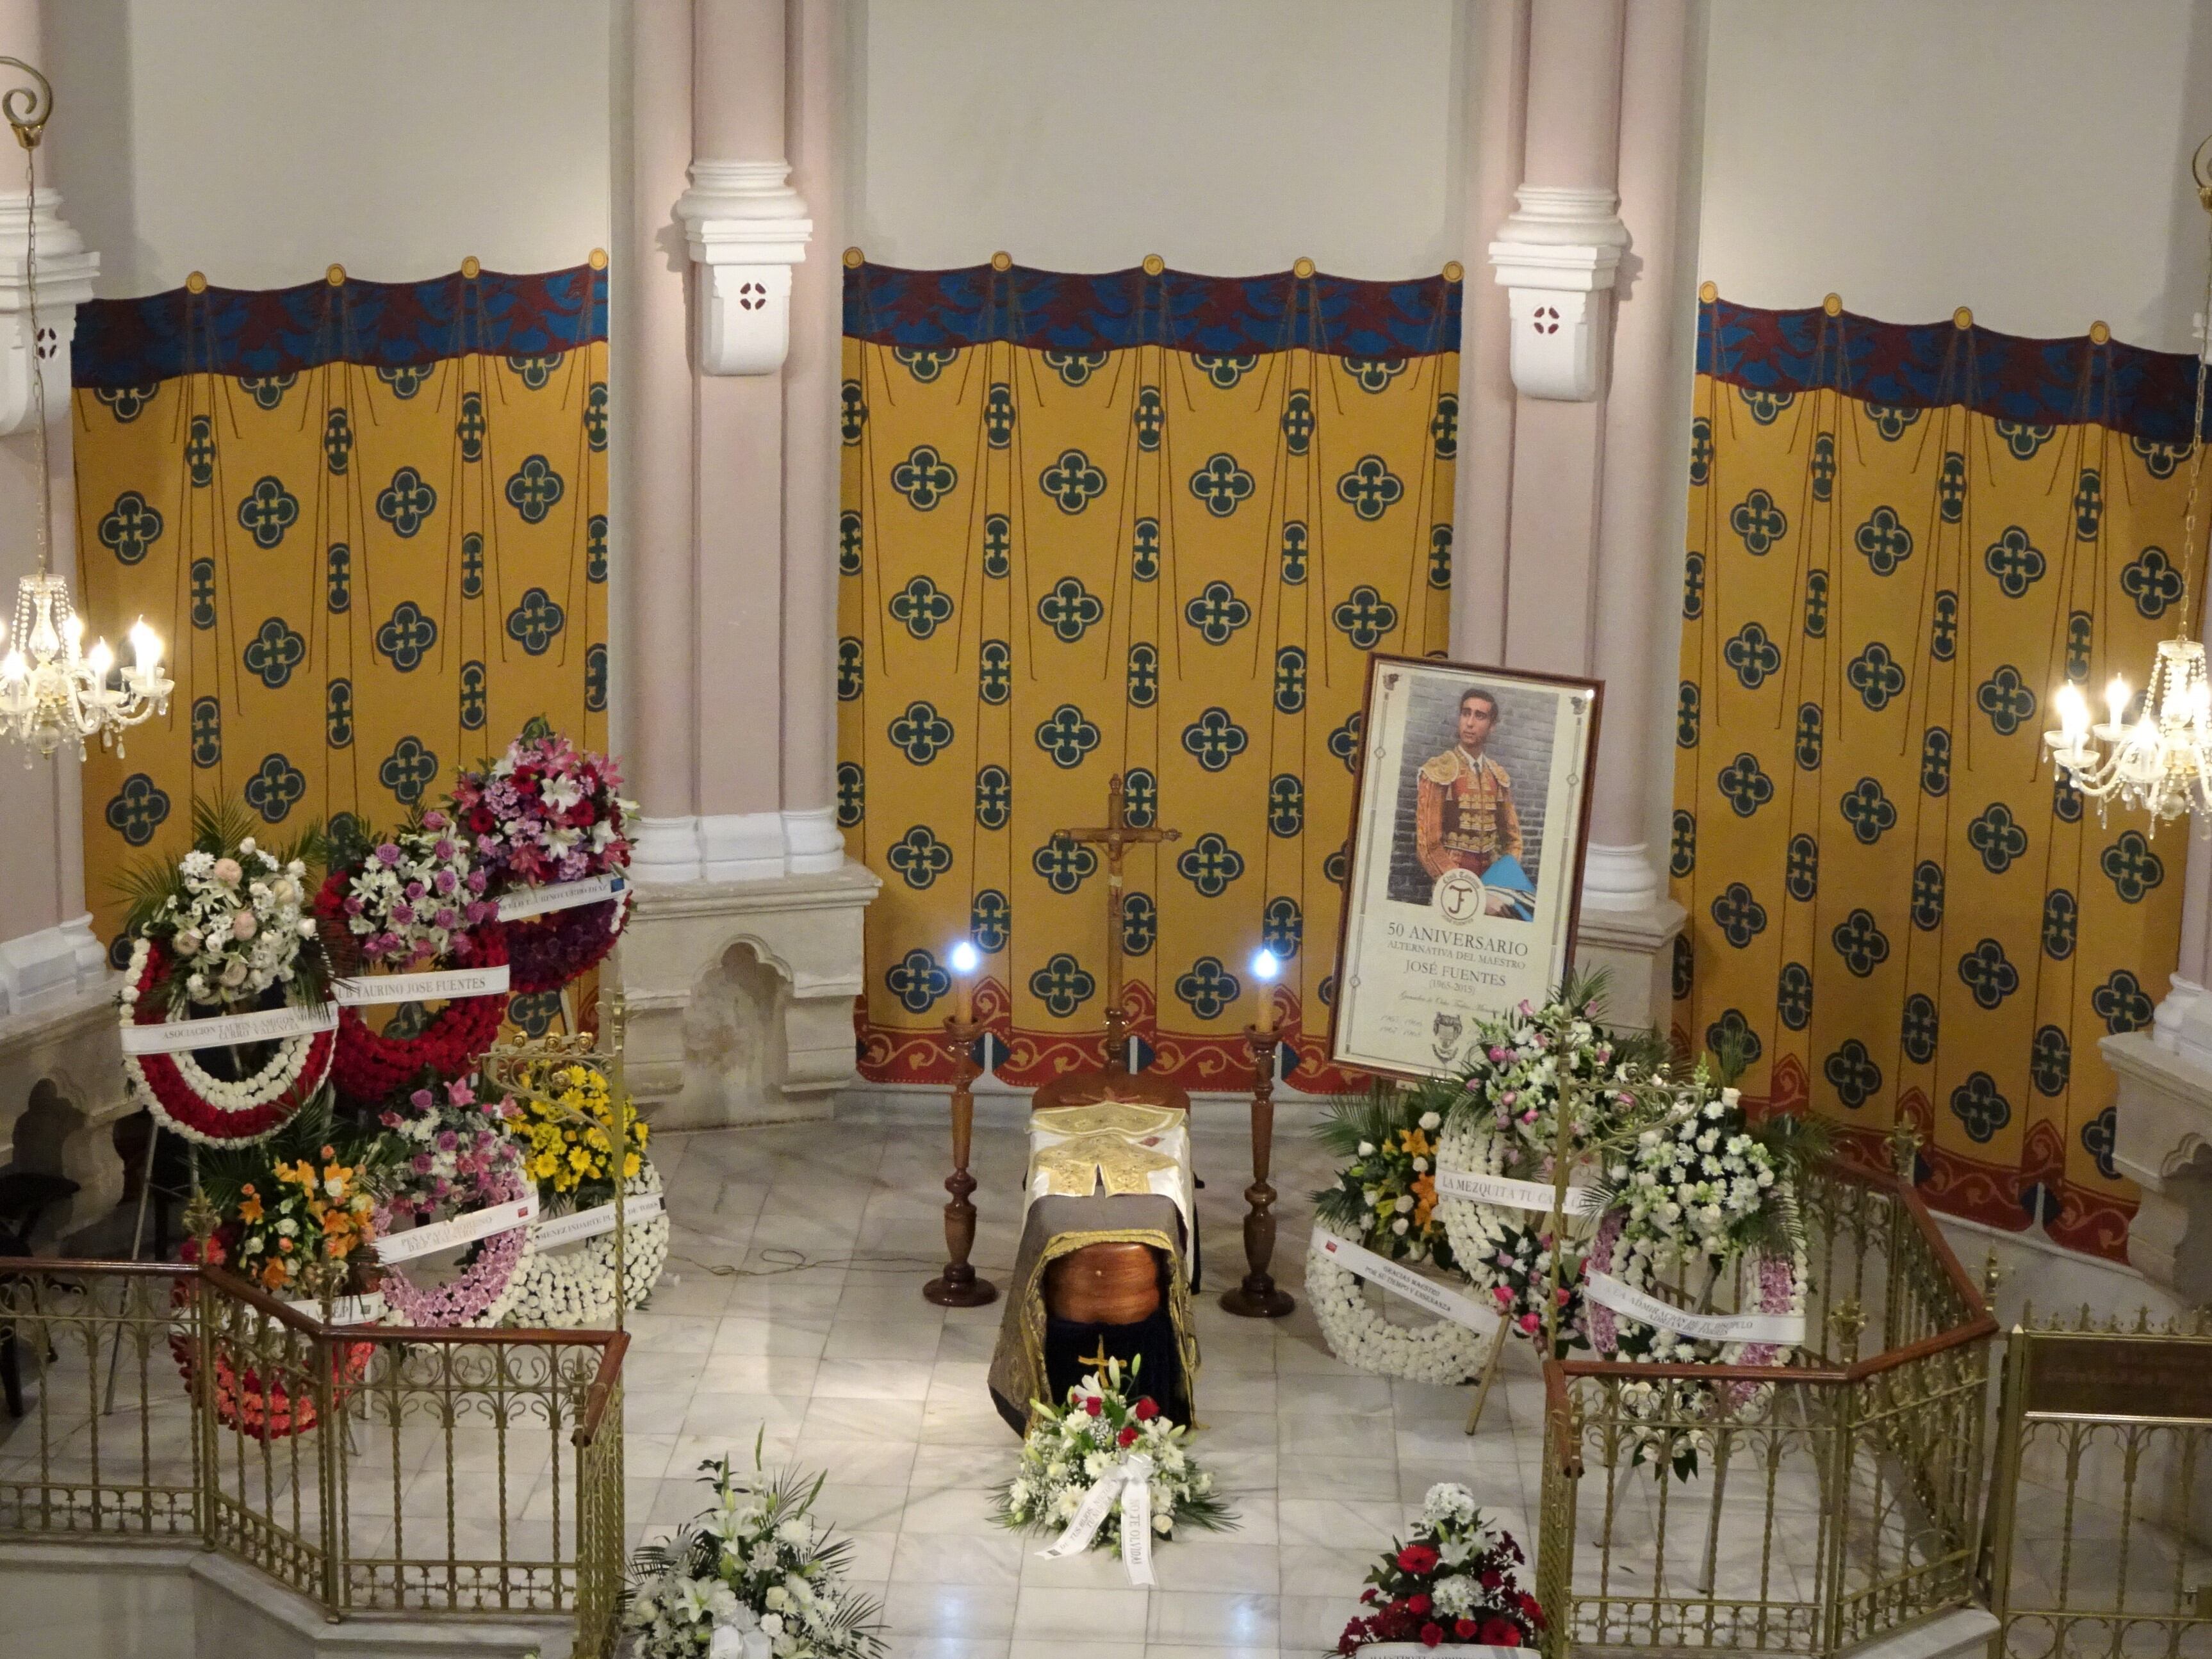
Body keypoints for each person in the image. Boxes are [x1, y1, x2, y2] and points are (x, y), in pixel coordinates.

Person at [1414, 687, 1525, 916]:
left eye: (1480, 716)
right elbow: (1428, 847)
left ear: (1492, 726)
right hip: (1452, 887)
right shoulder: (1439, 769)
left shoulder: (1497, 775)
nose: (1470, 723)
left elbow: (1513, 841)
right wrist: (1477, 895)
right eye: (1466, 713)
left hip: (1493, 887)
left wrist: (1501, 885)